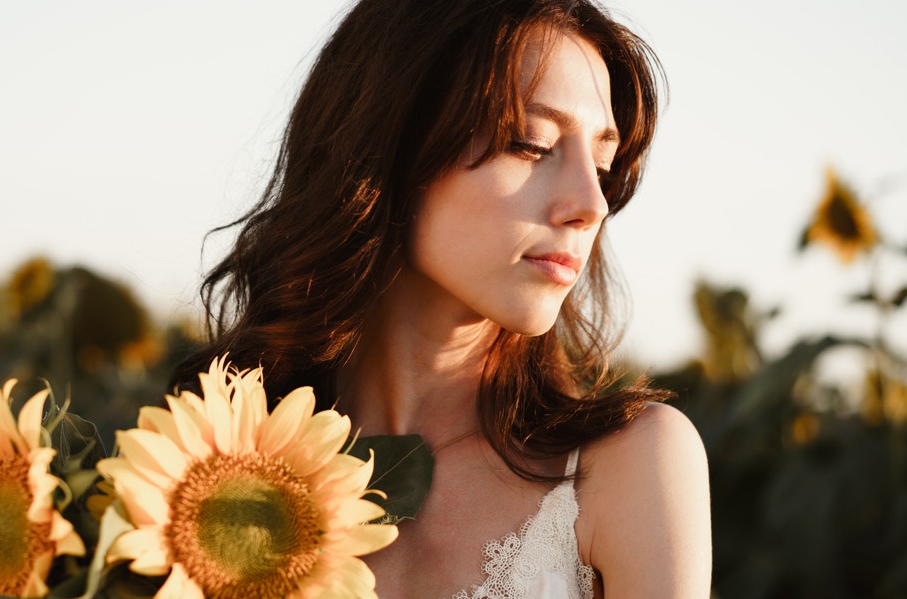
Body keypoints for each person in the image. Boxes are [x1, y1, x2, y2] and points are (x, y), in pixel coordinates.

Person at [171, 0, 711, 596]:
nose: (593, 203)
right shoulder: (207, 469)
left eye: (604, 164)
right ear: (392, 140)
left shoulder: (630, 469)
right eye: (531, 143)